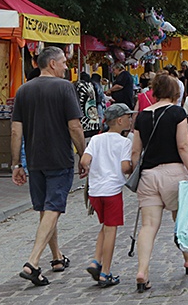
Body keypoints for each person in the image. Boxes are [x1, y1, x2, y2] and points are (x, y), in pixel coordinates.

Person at [10, 46, 86, 287]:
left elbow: (15, 130)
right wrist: (83, 154)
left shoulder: (23, 90)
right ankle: (32, 262)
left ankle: (56, 258)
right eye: (63, 62)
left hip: (35, 160)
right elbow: (74, 126)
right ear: (52, 64)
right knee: (53, 207)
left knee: (46, 210)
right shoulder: (65, 88)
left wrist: (16, 164)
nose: (66, 66)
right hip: (58, 158)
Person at [132, 74, 188, 293]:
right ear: (175, 92)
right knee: (180, 219)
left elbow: (136, 150)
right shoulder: (177, 113)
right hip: (173, 173)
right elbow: (183, 146)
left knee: (148, 226)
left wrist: (132, 170)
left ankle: (142, 271)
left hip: (148, 175)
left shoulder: (142, 116)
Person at [79, 103, 135, 288]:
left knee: (105, 226)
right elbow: (125, 167)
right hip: (112, 191)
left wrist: (89, 167)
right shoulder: (125, 142)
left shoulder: (96, 139)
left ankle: (96, 260)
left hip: (95, 192)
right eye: (128, 117)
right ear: (119, 121)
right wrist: (134, 166)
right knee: (111, 230)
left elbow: (85, 160)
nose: (130, 119)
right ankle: (105, 272)